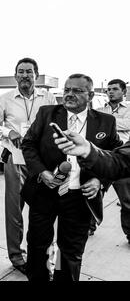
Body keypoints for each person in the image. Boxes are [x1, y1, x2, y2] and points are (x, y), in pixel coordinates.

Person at [21, 73, 122, 281]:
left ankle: (62, 277)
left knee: (69, 251)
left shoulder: (106, 122)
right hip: (44, 193)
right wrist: (42, 172)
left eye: (77, 91)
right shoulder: (46, 113)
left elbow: (116, 159)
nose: (69, 94)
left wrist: (99, 181)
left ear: (91, 95)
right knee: (38, 245)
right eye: (67, 90)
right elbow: (28, 144)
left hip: (79, 198)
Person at [0, 57, 57, 273]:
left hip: (41, 162)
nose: (25, 75)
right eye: (21, 71)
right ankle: (17, 257)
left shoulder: (48, 97)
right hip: (15, 160)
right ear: (15, 75)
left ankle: (41, 254)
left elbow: (57, 123)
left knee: (43, 209)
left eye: (29, 71)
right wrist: (9, 132)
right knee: (15, 211)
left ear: (36, 74)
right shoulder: (5, 98)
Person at [96, 79, 130, 240]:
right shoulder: (100, 110)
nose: (110, 92)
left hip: (123, 160)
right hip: (102, 158)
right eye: (108, 89)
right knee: (93, 194)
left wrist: (106, 122)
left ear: (124, 92)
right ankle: (88, 226)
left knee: (127, 200)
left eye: (115, 89)